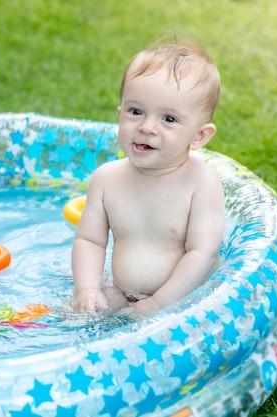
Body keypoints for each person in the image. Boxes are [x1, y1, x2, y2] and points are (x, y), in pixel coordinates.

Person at [72, 39, 225, 318]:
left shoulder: (201, 183)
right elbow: (90, 241)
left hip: (186, 298)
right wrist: (88, 289)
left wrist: (160, 304)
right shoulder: (106, 179)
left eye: (168, 119)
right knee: (76, 317)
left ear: (199, 136)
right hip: (123, 292)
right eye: (136, 111)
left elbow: (202, 254)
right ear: (120, 116)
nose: (146, 127)